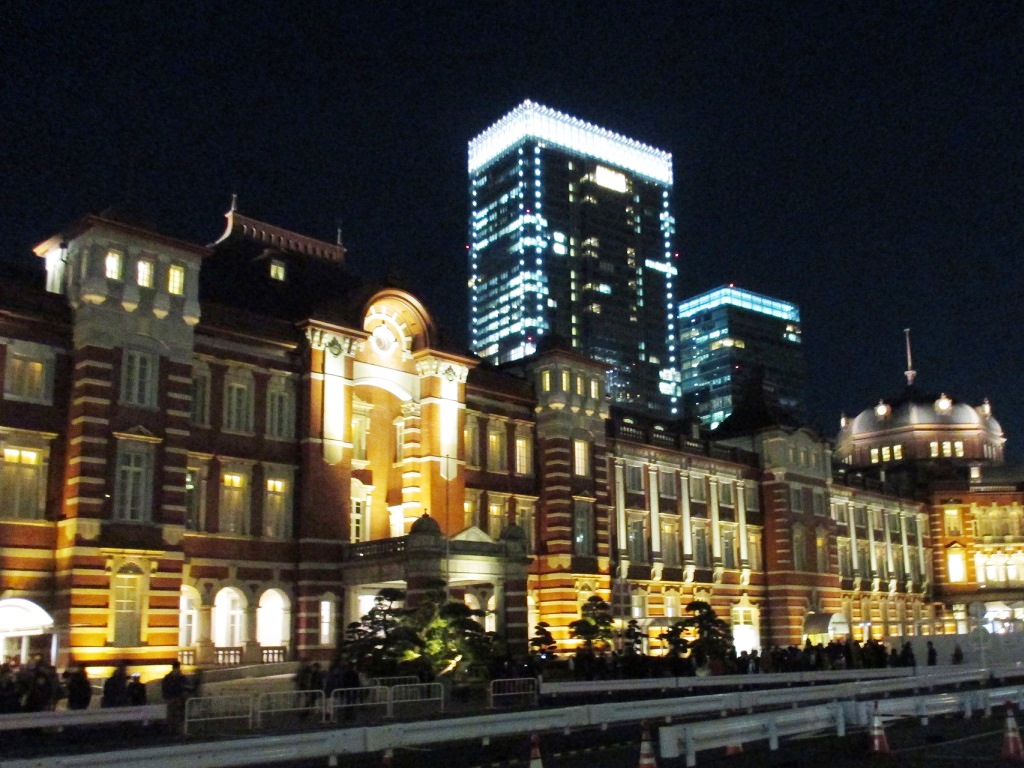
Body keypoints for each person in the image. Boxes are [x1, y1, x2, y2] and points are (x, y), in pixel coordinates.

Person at [161, 661, 192, 733]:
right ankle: (173, 730)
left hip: (176, 698)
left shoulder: (169, 677)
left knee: (176, 715)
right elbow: (186, 686)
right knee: (173, 715)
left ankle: (175, 730)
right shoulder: (176, 677)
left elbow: (164, 688)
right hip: (174, 698)